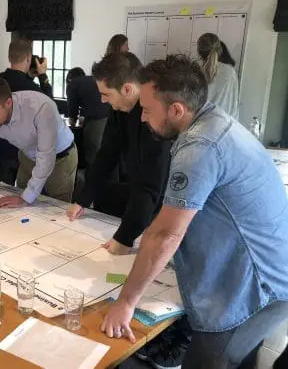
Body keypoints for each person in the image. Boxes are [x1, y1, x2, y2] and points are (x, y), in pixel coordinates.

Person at [101, 55, 288, 368]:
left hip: (256, 289)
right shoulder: (216, 121)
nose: (142, 118)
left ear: (176, 109)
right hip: (271, 273)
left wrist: (126, 301)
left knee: (207, 361)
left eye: (147, 109)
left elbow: (165, 235)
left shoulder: (200, 146)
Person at [66, 53, 171, 255]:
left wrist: (125, 237)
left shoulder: (155, 115)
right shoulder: (120, 108)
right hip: (139, 186)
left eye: (106, 94)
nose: (102, 100)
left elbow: (151, 183)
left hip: (164, 200)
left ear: (127, 89)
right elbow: (107, 153)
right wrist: (84, 199)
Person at [0, 76, 77, 206]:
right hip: (28, 156)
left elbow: (46, 157)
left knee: (56, 208)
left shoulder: (41, 108)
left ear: (8, 103)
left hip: (60, 159)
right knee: (22, 208)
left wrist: (25, 198)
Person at [0, 38, 53, 185]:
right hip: (26, 151)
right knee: (24, 195)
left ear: (9, 57)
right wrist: (42, 76)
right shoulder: (32, 88)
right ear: (28, 58)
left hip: (3, 146)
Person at [66, 67, 110, 174]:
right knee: (108, 153)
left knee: (92, 154)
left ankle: (93, 179)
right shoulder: (91, 80)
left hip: (97, 120)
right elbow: (93, 100)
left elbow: (72, 107)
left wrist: (72, 121)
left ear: (69, 79)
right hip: (111, 117)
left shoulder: (72, 84)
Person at [197, 33, 240, 119]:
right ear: (220, 50)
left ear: (199, 51)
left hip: (201, 123)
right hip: (225, 123)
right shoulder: (230, 71)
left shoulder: (195, 72)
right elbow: (234, 103)